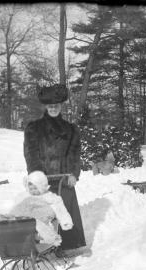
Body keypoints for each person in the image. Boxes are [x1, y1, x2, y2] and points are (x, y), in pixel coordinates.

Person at [23, 84, 87, 251]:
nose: (53, 109)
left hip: (64, 179)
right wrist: (36, 176)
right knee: (43, 213)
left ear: (61, 106)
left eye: (56, 106)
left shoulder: (71, 129)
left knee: (66, 212)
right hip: (43, 181)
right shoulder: (34, 128)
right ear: (45, 107)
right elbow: (31, 153)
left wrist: (74, 174)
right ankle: (43, 247)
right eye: (50, 106)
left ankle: (68, 247)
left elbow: (74, 153)